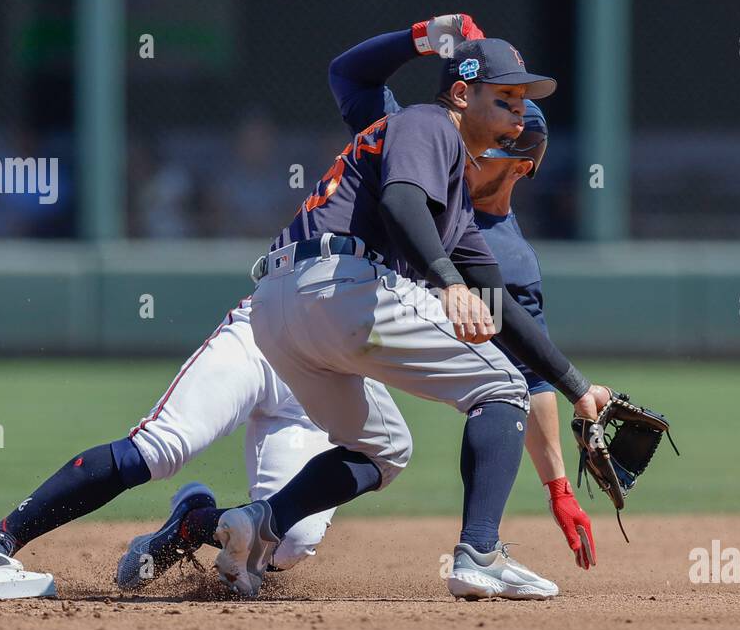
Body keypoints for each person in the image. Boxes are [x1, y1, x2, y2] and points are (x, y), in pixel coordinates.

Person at [208, 33, 612, 601]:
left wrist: (578, 388)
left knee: (384, 449)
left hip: (279, 311)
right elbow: (400, 201)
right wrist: (448, 284)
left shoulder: (458, 214)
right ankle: (479, 554)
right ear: (462, 94)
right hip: (336, 285)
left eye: (524, 105)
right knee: (501, 388)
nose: (518, 117)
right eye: (506, 99)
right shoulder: (429, 123)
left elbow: (500, 307)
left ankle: (260, 526)